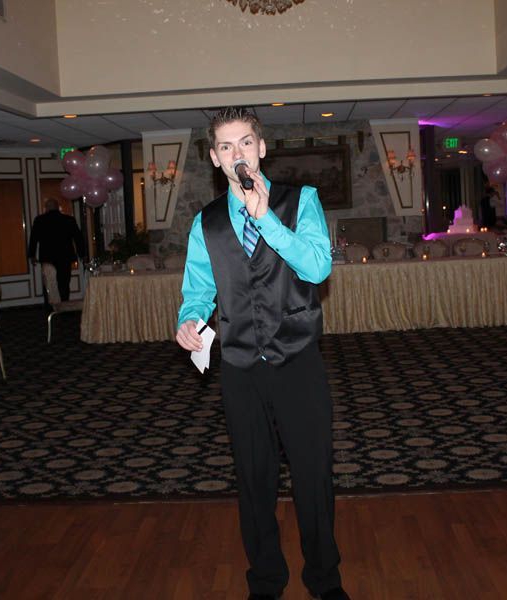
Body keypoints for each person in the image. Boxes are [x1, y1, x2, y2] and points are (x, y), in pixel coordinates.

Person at [175, 107, 349, 600]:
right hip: (240, 368)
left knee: (313, 479)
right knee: (254, 483)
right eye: (226, 147)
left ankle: (325, 580)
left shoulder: (302, 201)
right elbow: (198, 291)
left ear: (262, 148)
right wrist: (189, 321)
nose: (238, 155)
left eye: (246, 143)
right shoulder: (205, 223)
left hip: (298, 363)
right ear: (215, 158)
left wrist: (266, 219)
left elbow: (317, 268)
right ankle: (266, 581)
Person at [27, 197, 85, 302]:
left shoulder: (39, 220)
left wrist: (32, 255)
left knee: (48, 283)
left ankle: (50, 307)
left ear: (46, 208)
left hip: (47, 257)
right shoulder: (68, 220)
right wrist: (82, 253)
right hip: (65, 256)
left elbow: (33, 238)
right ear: (58, 207)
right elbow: (78, 238)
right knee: (64, 283)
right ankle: (64, 305)